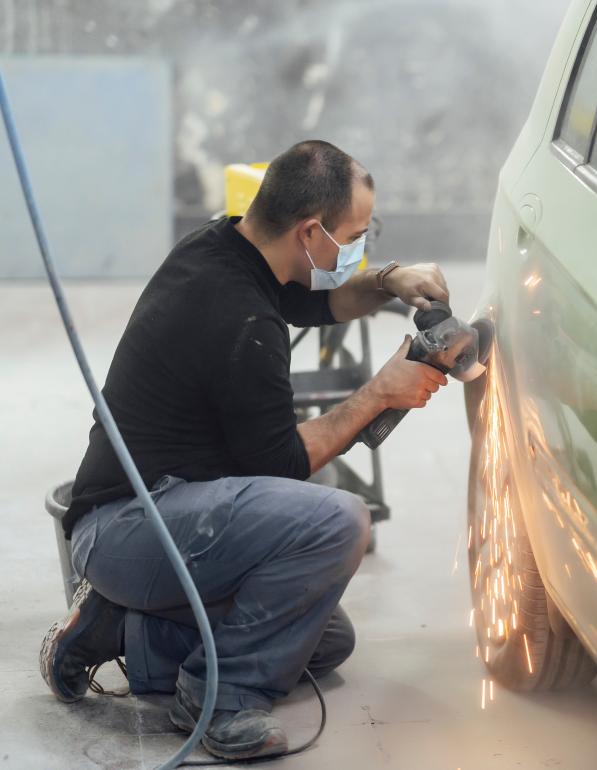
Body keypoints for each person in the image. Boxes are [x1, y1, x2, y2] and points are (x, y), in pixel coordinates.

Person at [39, 139, 450, 760]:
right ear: (311, 232)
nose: (360, 247)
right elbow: (280, 465)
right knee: (339, 521)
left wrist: (390, 281)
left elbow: (315, 301)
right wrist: (377, 395)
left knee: (323, 638)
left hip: (160, 514)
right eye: (355, 236)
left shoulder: (226, 247)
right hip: (130, 523)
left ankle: (116, 629)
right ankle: (218, 698)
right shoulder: (240, 318)